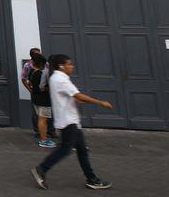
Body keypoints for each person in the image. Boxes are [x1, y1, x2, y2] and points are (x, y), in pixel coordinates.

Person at [31, 54, 113, 191]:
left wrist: (76, 100)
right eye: (69, 64)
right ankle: (41, 169)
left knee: (82, 150)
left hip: (70, 120)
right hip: (68, 121)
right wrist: (100, 103)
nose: (72, 66)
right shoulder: (61, 79)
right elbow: (78, 95)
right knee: (65, 149)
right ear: (61, 66)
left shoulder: (57, 78)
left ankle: (92, 178)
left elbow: (72, 97)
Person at [28, 54, 55, 148]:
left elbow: (30, 84)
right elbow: (43, 87)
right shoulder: (42, 73)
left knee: (40, 118)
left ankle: (43, 138)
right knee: (43, 119)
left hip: (35, 98)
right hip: (43, 99)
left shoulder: (31, 72)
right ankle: (44, 139)